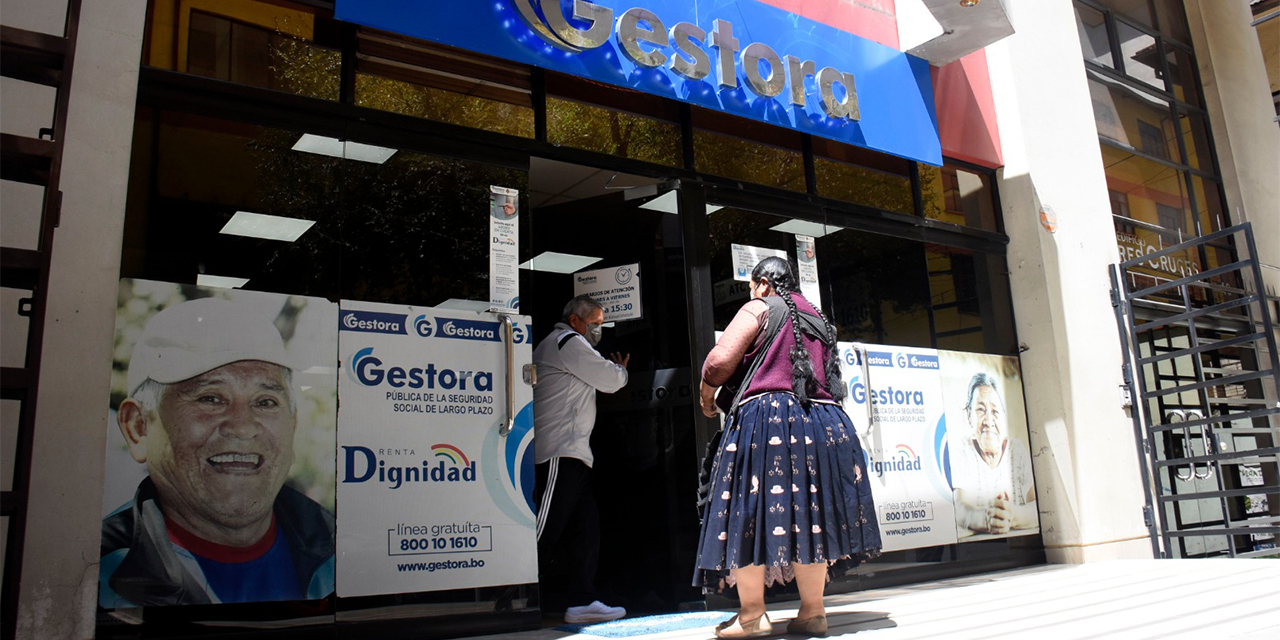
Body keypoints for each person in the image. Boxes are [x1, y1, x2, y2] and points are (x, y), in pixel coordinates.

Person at [100, 297, 335, 607]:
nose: (243, 426)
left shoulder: (341, 552)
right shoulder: (91, 577)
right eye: (210, 398)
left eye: (265, 402)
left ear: (292, 425)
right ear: (139, 427)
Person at [695, 257, 881, 639]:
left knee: (744, 512)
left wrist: (707, 393)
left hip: (770, 420)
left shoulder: (760, 307)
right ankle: (813, 612)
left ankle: (752, 616)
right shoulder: (818, 318)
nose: (752, 293)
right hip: (826, 424)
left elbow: (719, 361)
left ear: (763, 284)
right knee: (810, 518)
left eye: (752, 287)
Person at [531, 295, 630, 624]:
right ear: (575, 320)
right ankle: (514, 593)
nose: (599, 330)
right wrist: (620, 371)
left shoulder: (567, 343)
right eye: (595, 323)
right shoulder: (567, 341)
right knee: (546, 528)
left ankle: (582, 600)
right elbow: (610, 380)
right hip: (559, 452)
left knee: (584, 530)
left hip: (573, 454)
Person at [951, 373, 1037, 536]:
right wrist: (987, 518)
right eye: (981, 410)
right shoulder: (963, 449)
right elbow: (960, 508)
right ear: (969, 416)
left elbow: (1038, 508)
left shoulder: (1016, 451)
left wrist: (1011, 515)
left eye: (995, 411)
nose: (988, 421)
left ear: (1004, 417)